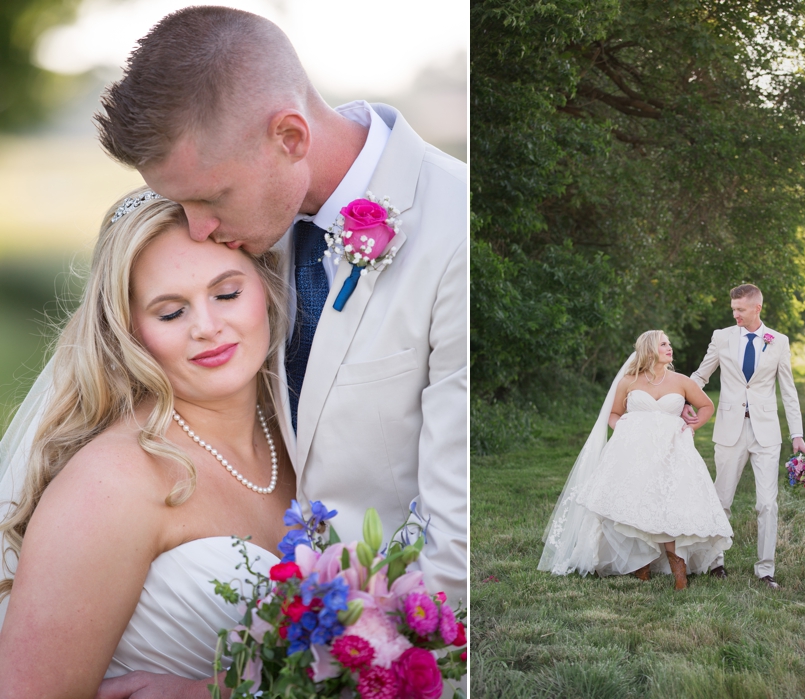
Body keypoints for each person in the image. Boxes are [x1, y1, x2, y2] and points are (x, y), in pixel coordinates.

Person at [94, 6, 467, 607]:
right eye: (180, 204)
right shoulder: (236, 243)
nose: (198, 230)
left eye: (210, 198)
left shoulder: (454, 233)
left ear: (290, 138)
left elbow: (457, 551)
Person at [0, 189, 296, 697]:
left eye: (226, 294)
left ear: (267, 289)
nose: (208, 327)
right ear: (130, 332)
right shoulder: (112, 485)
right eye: (170, 312)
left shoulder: (302, 438)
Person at [539, 330, 733, 590]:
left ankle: (679, 573)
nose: (669, 347)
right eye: (663, 344)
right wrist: (625, 431)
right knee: (636, 502)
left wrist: (692, 427)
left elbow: (707, 405)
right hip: (635, 453)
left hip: (671, 451)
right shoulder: (628, 381)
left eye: (669, 343)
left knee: (668, 505)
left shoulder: (681, 381)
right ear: (650, 349)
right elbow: (614, 413)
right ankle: (639, 564)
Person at [682, 283, 805, 589]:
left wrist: (797, 434)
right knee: (721, 499)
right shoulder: (722, 337)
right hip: (729, 429)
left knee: (767, 504)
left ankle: (766, 570)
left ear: (757, 308)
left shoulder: (778, 341)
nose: (735, 314)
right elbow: (701, 375)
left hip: (766, 433)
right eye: (733, 309)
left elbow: (788, 392)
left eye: (740, 309)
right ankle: (715, 562)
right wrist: (683, 399)